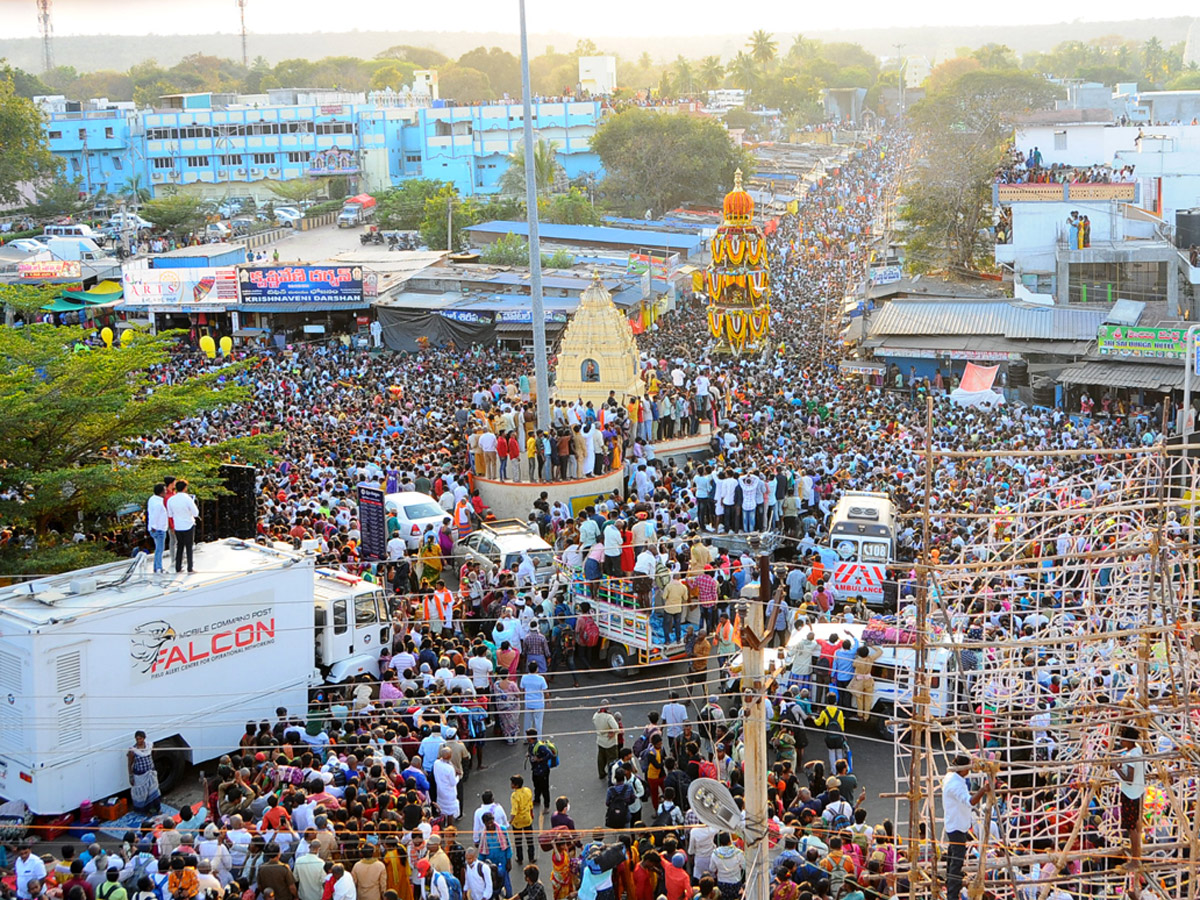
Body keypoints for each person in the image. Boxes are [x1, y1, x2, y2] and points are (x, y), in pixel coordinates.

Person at [941, 754, 989, 900]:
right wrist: (983, 790)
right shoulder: (954, 784)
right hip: (956, 826)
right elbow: (971, 801)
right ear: (962, 769)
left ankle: (950, 883)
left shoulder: (952, 777)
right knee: (957, 862)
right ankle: (952, 895)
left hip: (955, 823)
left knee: (952, 857)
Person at [1115, 726, 1146, 866]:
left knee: (1131, 827)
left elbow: (1129, 778)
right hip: (1137, 791)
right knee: (1136, 825)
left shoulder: (1131, 756)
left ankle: (1135, 859)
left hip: (1130, 793)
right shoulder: (1138, 750)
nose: (1121, 742)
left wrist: (1115, 767)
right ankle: (1137, 854)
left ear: (1129, 741)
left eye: (1123, 739)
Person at [166, 479, 200, 573]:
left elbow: (170, 514)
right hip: (188, 524)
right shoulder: (187, 499)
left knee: (179, 546)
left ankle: (178, 567)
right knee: (189, 547)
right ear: (185, 488)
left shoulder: (171, 500)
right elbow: (196, 513)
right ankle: (190, 567)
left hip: (177, 526)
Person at [127, 731, 161, 814]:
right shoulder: (133, 750)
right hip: (140, 775)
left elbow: (153, 753)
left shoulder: (149, 746)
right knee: (143, 794)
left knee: (153, 792)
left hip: (150, 773)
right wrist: (130, 776)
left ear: (144, 738)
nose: (139, 741)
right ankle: (145, 811)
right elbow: (129, 763)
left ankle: (156, 809)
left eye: (140, 738)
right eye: (137, 739)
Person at [520, 661, 548, 737]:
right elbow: (546, 692)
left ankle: (526, 738)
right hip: (539, 704)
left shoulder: (524, 677)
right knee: (538, 723)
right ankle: (538, 739)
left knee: (527, 722)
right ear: (537, 669)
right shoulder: (541, 679)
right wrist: (548, 701)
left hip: (528, 702)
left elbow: (522, 690)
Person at [593, 701, 620, 779]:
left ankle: (601, 773)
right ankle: (612, 775)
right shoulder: (608, 717)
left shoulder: (596, 715)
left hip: (600, 740)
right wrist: (612, 732)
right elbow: (616, 728)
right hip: (610, 742)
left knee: (601, 758)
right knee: (612, 759)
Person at [146, 484, 169, 573]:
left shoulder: (152, 499)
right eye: (165, 490)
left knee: (158, 549)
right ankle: (159, 567)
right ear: (161, 492)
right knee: (159, 549)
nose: (166, 492)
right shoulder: (158, 504)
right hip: (159, 529)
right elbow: (155, 516)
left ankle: (156, 567)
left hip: (154, 528)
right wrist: (154, 526)